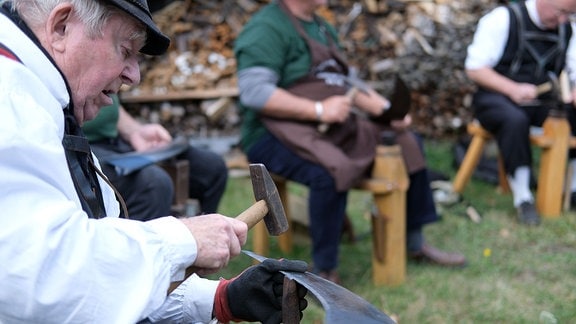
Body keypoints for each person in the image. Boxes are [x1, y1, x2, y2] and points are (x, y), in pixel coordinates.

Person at [0, 0, 308, 322]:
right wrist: (182, 240)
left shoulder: (44, 107)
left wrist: (219, 298)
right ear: (62, 26)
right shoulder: (9, 104)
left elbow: (100, 277)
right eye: (126, 49)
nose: (134, 75)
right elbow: (45, 281)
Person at [234, 0, 467, 283]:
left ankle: (415, 242)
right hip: (272, 136)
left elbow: (348, 84)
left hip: (330, 129)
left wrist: (385, 110)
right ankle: (325, 270)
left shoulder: (322, 26)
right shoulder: (266, 28)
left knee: (406, 143)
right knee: (330, 169)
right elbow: (254, 92)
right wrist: (318, 110)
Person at [465, 0, 576, 225]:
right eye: (561, 12)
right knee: (514, 119)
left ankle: (574, 189)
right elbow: (475, 68)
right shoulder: (503, 18)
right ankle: (523, 197)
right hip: (496, 97)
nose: (563, 20)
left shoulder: (568, 28)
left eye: (569, 14)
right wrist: (512, 89)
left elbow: (573, 70)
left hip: (543, 101)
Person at [82, 94, 228, 220]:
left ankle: (205, 243)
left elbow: (105, 96)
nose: (134, 76)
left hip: (115, 142)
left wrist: (134, 131)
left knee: (211, 168)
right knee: (153, 184)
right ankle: (139, 249)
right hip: (79, 147)